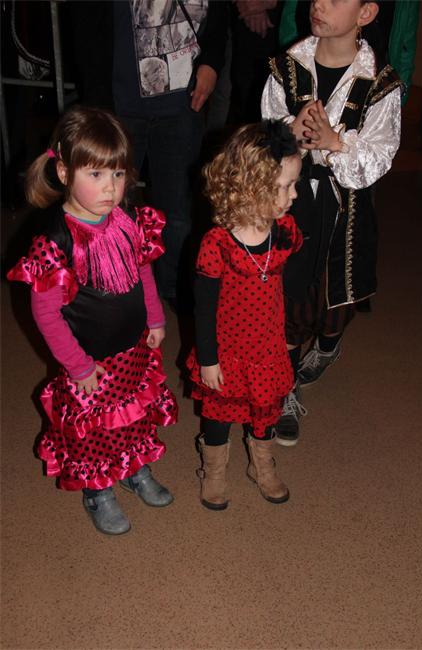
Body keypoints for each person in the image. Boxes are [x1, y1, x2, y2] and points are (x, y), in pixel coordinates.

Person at [7, 106, 178, 535]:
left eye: (118, 174)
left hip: (132, 349)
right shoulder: (54, 240)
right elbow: (45, 314)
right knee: (95, 428)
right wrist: (78, 365)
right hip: (88, 362)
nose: (111, 187)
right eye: (96, 174)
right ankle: (97, 489)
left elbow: (142, 271)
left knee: (133, 412)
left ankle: (133, 466)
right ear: (64, 172)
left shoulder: (128, 220)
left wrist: (155, 316)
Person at [261, 0, 403, 446]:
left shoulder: (380, 83)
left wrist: (335, 143)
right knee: (287, 297)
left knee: (334, 300)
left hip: (346, 211)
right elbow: (265, 134)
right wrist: (289, 133)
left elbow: (380, 155)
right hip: (293, 202)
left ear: (365, 14)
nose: (319, 4)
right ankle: (285, 388)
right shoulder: (286, 70)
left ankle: (328, 344)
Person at [69, 1, 228, 310]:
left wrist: (211, 62)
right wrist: (98, 106)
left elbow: (219, 14)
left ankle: (173, 289)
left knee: (178, 211)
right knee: (108, 209)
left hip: (183, 104)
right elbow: (86, 28)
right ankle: (114, 288)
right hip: (119, 106)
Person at [187, 120, 303, 510]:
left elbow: (294, 280)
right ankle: (214, 470)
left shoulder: (284, 231)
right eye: (285, 186)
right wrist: (208, 359)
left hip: (267, 347)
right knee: (219, 415)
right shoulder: (218, 243)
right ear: (251, 186)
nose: (294, 194)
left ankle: (262, 464)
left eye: (294, 184)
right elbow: (203, 308)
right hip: (227, 350)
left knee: (265, 411)